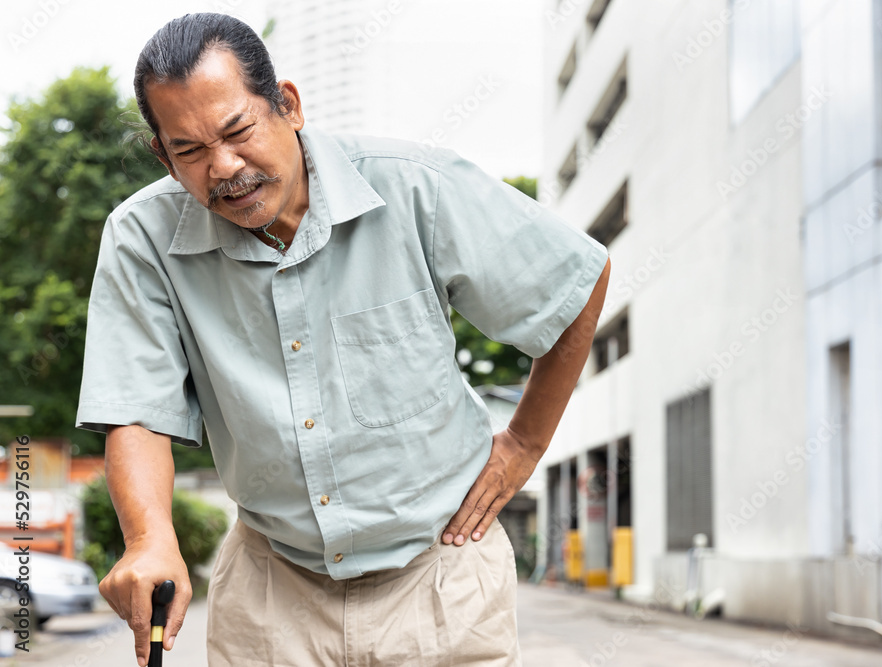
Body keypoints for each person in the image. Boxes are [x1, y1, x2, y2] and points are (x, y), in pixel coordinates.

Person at [76, 12, 610, 667]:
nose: (224, 167)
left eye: (238, 130)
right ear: (163, 155)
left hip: (441, 572)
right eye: (189, 150)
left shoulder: (417, 185)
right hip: (273, 593)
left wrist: (526, 441)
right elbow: (135, 406)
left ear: (289, 106)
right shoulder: (142, 239)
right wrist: (149, 537)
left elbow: (575, 281)